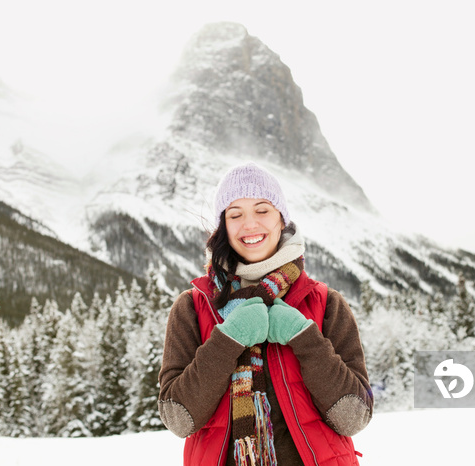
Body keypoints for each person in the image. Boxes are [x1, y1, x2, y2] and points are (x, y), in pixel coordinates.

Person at [158, 162, 373, 466]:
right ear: (224, 227)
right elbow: (179, 419)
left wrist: (305, 338)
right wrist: (228, 340)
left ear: (281, 218)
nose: (249, 225)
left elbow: (353, 417)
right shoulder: (194, 307)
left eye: (262, 210)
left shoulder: (325, 303)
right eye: (235, 215)